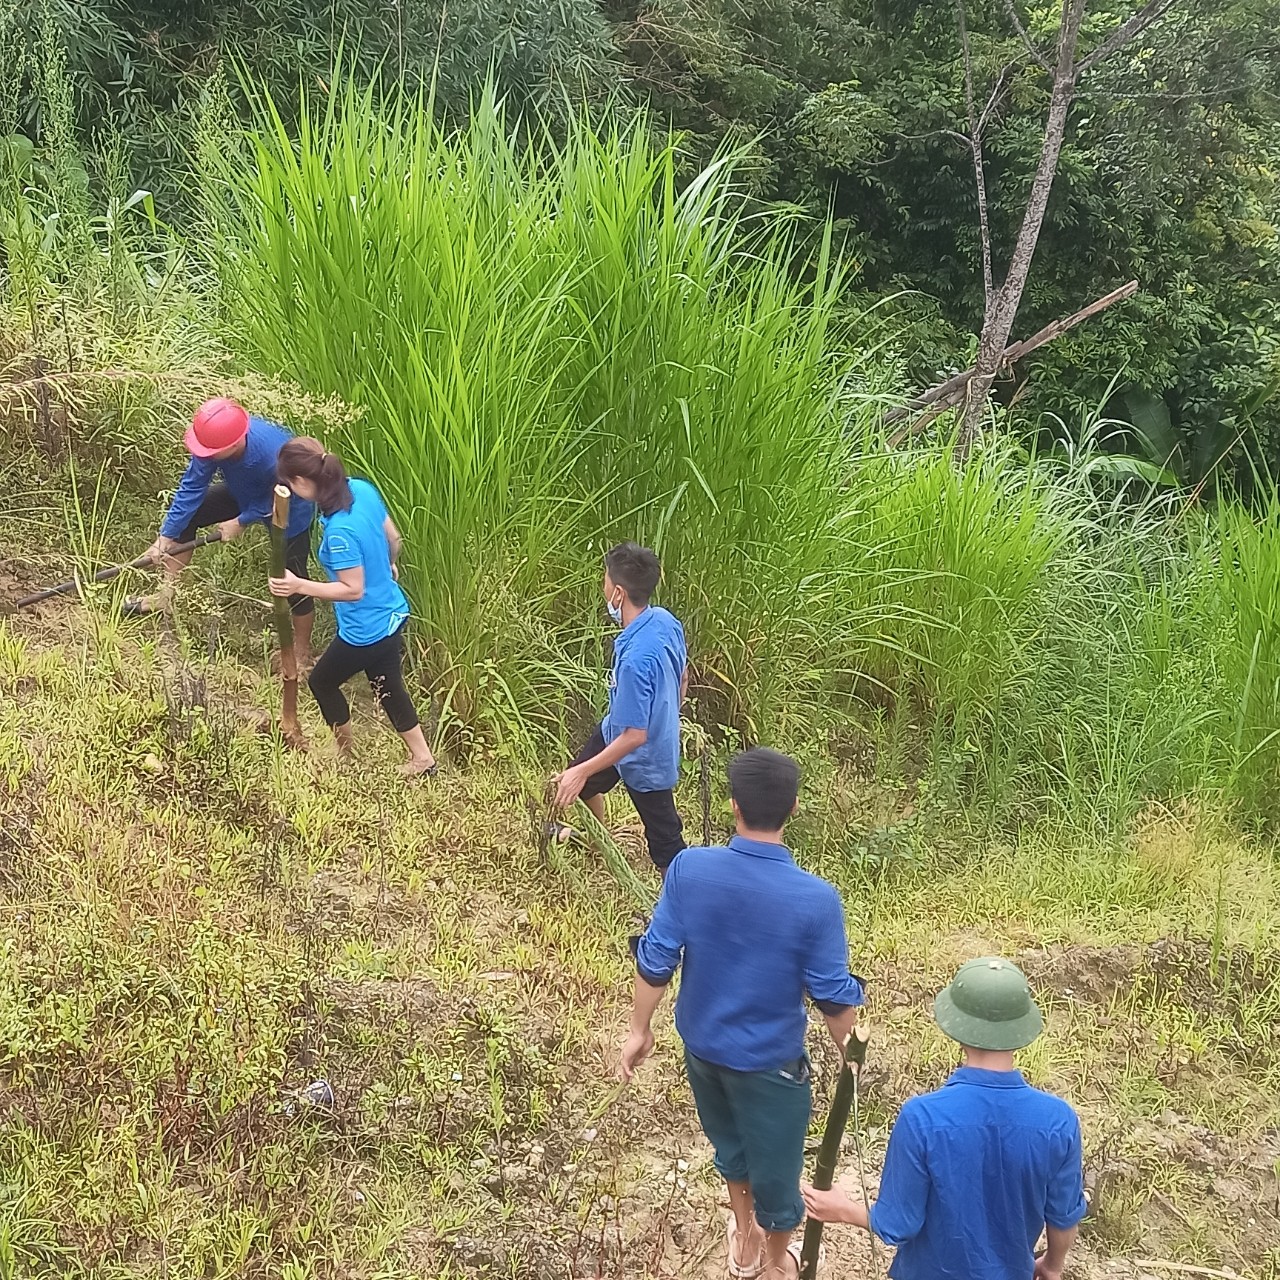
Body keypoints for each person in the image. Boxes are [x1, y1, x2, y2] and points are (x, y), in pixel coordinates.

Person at [619, 748, 865, 1280]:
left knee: (729, 1146)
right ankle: (776, 1261)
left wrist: (639, 1030)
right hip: (770, 1065)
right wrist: (852, 1055)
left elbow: (656, 957)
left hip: (702, 1049)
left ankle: (745, 1243)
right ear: (793, 808)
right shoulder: (816, 899)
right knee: (777, 1171)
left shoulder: (690, 869)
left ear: (733, 805)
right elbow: (833, 998)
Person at [801, 957, 1088, 1280]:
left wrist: (843, 1209)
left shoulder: (922, 1117)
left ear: (956, 1028)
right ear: (1022, 1030)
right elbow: (1063, 1217)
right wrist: (1051, 1266)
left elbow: (898, 1225)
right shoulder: (1058, 1121)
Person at [268, 438, 437, 779]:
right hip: (393, 612)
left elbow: (353, 589)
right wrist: (388, 565)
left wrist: (299, 585)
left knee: (322, 682)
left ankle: (346, 757)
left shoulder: (340, 533)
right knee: (386, 683)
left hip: (366, 629)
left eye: (290, 483)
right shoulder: (360, 488)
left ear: (302, 483)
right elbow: (394, 539)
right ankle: (423, 760)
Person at [131, 398, 316, 665]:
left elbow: (291, 491)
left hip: (289, 503)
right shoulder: (212, 444)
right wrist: (166, 536)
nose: (203, 454)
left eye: (209, 451)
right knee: (191, 516)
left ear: (233, 445)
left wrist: (242, 520)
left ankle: (300, 652)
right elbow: (191, 488)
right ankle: (165, 596)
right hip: (245, 491)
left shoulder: (273, 451)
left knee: (292, 576)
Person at [551, 542, 687, 874]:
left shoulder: (635, 661)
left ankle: (682, 911)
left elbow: (635, 737)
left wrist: (580, 771)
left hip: (645, 758)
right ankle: (598, 841)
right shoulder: (665, 621)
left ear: (618, 594)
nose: (603, 586)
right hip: (616, 729)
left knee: (666, 844)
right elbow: (684, 674)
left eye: (605, 581)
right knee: (581, 784)